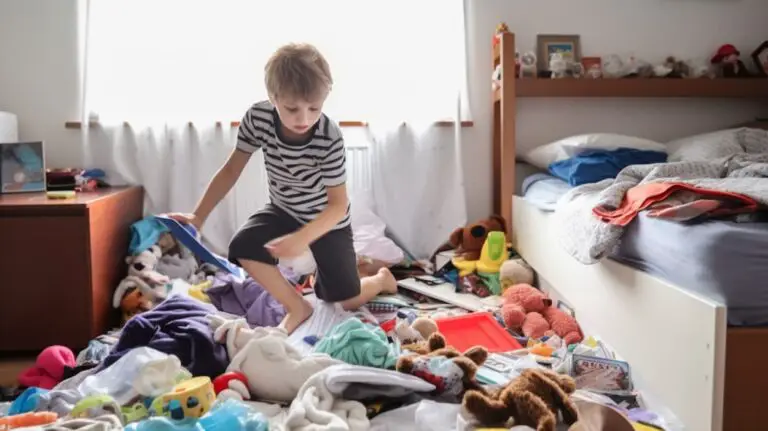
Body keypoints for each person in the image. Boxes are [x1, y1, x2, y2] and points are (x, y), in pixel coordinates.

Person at [169, 43, 397, 334]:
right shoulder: (258, 118)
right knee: (242, 246)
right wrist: (198, 217)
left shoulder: (329, 137)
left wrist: (303, 237)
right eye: (292, 109)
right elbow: (231, 170)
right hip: (283, 209)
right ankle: (297, 306)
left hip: (326, 220)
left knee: (344, 299)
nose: (304, 119)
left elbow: (338, 205)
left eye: (314, 108)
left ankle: (380, 278)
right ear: (273, 97)